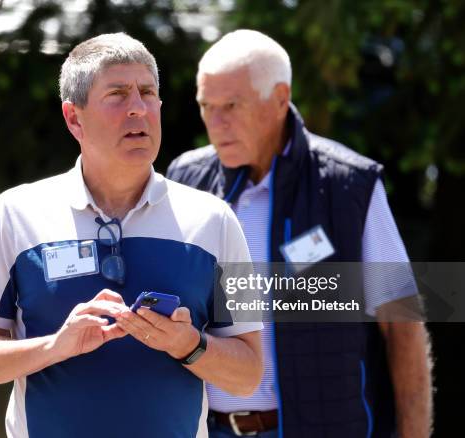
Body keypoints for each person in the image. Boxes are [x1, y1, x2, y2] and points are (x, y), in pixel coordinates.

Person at [0, 33, 263, 438]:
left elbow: (248, 374)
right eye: (117, 94)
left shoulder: (217, 221)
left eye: (147, 93)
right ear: (74, 118)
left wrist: (189, 345)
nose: (138, 109)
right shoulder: (14, 214)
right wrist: (55, 346)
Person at [167, 30, 432, 438]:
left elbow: (402, 323)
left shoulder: (349, 186)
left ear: (279, 98)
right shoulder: (185, 179)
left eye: (232, 106)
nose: (216, 124)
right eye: (207, 106)